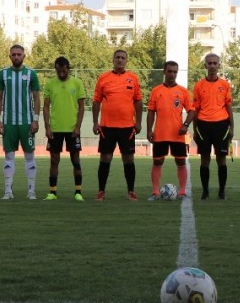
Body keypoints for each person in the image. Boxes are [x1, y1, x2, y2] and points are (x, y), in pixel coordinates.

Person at [92, 48, 143, 200]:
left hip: (127, 127)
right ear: (113, 60)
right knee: (105, 158)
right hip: (107, 126)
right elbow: (96, 101)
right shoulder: (103, 78)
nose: (120, 60)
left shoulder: (133, 78)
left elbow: (138, 101)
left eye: (122, 58)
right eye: (117, 57)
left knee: (128, 159)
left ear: (126, 61)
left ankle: (131, 191)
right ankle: (101, 191)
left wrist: (138, 122)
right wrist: (95, 122)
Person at [0, 43, 41, 200]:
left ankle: (31, 191)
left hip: (27, 123)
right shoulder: (3, 74)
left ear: (24, 56)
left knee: (30, 156)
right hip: (8, 122)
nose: (16, 57)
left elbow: (36, 98)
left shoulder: (31, 74)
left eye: (18, 54)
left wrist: (35, 120)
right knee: (9, 157)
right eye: (13, 54)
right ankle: (8, 191)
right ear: (10, 56)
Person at [147, 61, 195, 199]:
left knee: (181, 162)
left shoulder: (183, 91)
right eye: (170, 71)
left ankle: (182, 192)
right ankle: (155, 192)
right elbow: (151, 112)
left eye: (175, 72)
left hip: (177, 134)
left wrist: (185, 125)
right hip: (160, 134)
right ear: (164, 72)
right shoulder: (156, 91)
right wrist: (149, 130)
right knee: (157, 162)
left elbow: (192, 111)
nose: (172, 74)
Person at [41, 56, 86, 201]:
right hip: (55, 129)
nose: (61, 73)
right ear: (55, 69)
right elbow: (46, 106)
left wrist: (78, 126)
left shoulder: (77, 83)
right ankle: (52, 192)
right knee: (54, 160)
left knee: (75, 160)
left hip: (72, 129)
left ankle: (78, 192)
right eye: (58, 71)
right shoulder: (50, 83)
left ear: (68, 69)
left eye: (63, 71)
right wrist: (47, 126)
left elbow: (81, 107)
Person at [191, 53, 234, 199]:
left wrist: (232, 127)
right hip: (203, 125)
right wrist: (195, 130)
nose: (212, 66)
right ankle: (205, 191)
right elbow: (195, 109)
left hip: (221, 125)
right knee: (205, 159)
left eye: (215, 63)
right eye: (209, 63)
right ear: (205, 65)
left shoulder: (225, 85)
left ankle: (222, 192)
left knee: (221, 159)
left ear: (219, 65)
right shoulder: (198, 86)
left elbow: (228, 106)